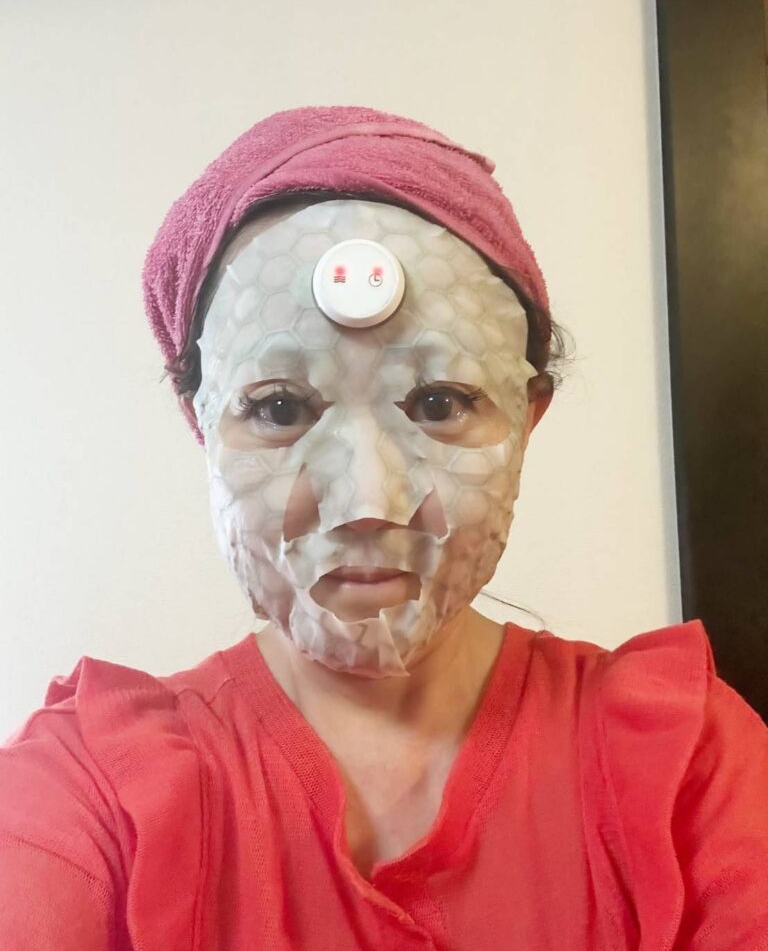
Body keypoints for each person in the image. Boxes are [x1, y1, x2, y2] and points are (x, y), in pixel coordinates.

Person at [1, 106, 766, 950]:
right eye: (279, 409)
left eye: (439, 403)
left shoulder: (686, 766)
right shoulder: (93, 792)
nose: (367, 500)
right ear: (203, 426)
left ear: (527, 420)